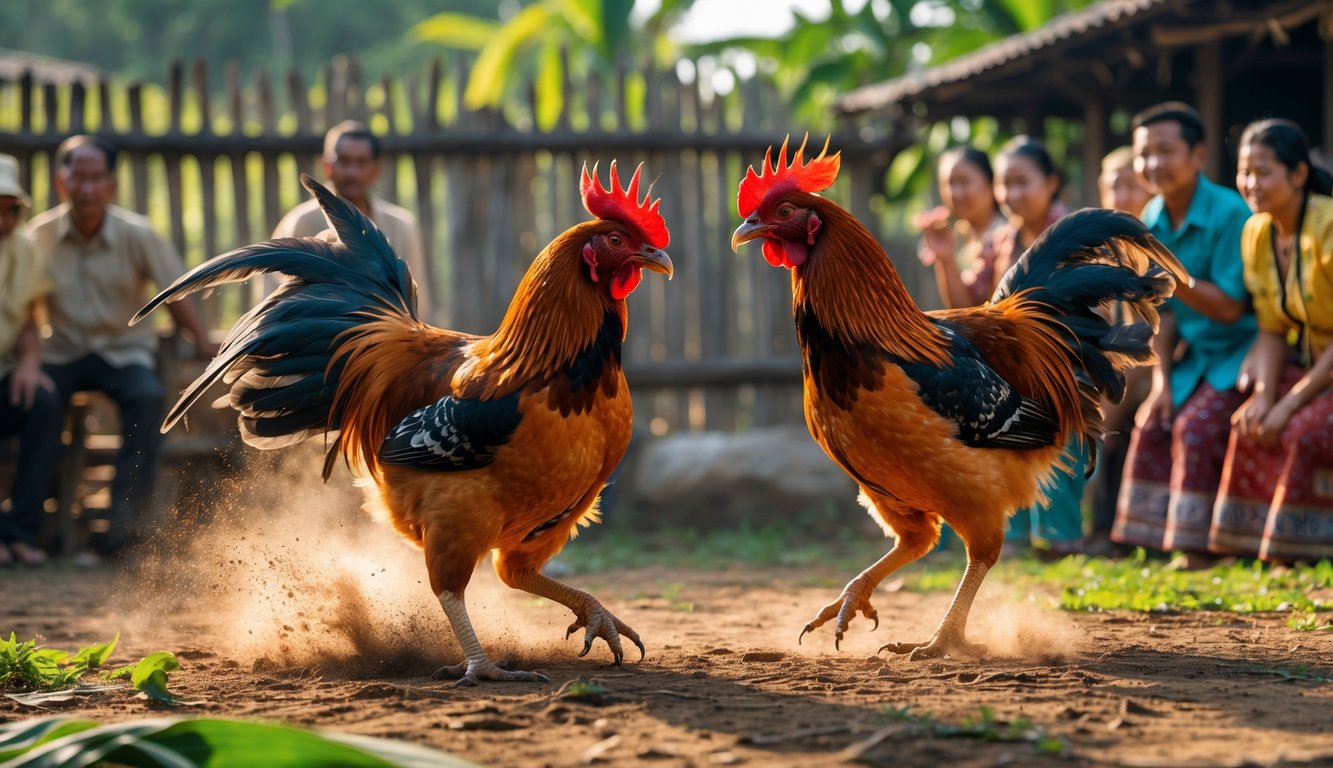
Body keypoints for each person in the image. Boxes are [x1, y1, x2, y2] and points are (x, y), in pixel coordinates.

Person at [27, 135, 219, 558]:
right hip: (61, 351)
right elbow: (20, 302)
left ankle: (120, 531)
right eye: (78, 177)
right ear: (62, 182)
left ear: (112, 185)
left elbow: (177, 292)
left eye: (97, 178)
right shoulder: (38, 236)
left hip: (122, 351)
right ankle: (31, 532)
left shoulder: (138, 234)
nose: (87, 188)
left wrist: (203, 343)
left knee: (147, 397)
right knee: (39, 404)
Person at [1111, 102, 1257, 564]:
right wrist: (1161, 386)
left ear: (1198, 155)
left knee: (1194, 427)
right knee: (1150, 424)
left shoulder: (1230, 212)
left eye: (1165, 151)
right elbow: (1164, 318)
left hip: (1246, 353)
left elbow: (1232, 309)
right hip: (1193, 360)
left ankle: (1202, 550)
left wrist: (1170, 271)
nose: (1153, 164)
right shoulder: (1152, 218)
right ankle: (1152, 543)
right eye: (1144, 154)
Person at [1209, 119, 1333, 562]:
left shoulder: (1328, 225)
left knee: (1300, 428)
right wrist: (1264, 397)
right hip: (1316, 366)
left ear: (1298, 174)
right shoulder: (1256, 231)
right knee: (1249, 421)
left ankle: (1300, 550)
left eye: (1264, 171)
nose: (1250, 183)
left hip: (1324, 366)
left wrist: (1287, 404)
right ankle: (1245, 545)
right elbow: (1271, 327)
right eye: (1244, 171)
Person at [992, 136, 1085, 557]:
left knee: (1057, 423)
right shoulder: (1005, 240)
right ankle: (1010, 534)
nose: (1012, 195)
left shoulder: (1072, 236)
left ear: (1051, 182)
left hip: (1072, 360)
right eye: (1003, 184)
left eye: (1022, 182)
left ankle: (1062, 537)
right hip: (1018, 364)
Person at [262, 120, 430, 319]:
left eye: (361, 163)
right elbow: (277, 302)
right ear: (326, 166)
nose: (352, 172)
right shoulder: (301, 222)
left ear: (376, 170)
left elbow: (419, 305)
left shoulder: (401, 225)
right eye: (344, 161)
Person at [1084, 147, 1155, 554]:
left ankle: (1119, 533)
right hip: (1120, 369)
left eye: (1133, 185)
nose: (1124, 195)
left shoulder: (1154, 246)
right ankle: (1100, 529)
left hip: (1157, 368)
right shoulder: (1106, 248)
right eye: (1115, 186)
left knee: (1111, 427)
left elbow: (1150, 336)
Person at [0, 154, 61, 566]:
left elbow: (29, 317)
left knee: (43, 402)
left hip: (5, 371)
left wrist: (29, 363)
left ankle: (20, 533)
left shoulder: (24, 247)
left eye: (12, 210)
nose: (4, 219)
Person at [914, 146, 1007, 308]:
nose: (955, 193)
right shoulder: (958, 234)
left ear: (990, 184)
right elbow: (961, 310)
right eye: (949, 183)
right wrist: (945, 258)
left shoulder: (1006, 238)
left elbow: (992, 317)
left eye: (964, 181)